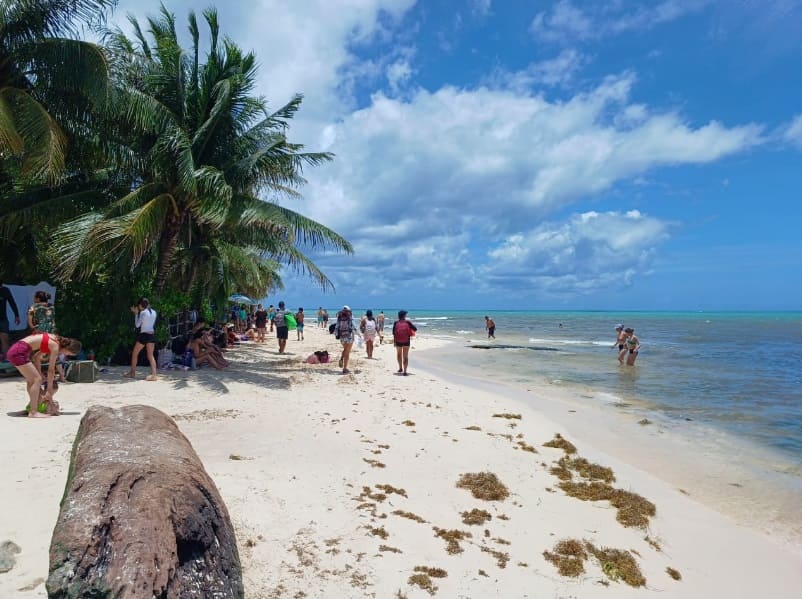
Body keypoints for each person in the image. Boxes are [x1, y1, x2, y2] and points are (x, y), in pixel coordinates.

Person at [6, 332, 81, 418]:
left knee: (33, 380)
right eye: (68, 353)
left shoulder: (54, 339)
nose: (65, 355)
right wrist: (48, 390)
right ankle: (33, 412)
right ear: (68, 348)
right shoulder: (55, 346)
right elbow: (51, 370)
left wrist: (39, 374)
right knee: (36, 380)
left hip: (16, 350)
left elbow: (37, 357)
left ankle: (32, 408)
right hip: (19, 352)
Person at [126, 297, 158, 381]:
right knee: (151, 355)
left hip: (144, 335)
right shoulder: (154, 312)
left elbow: (137, 325)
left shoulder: (143, 313)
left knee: (135, 353)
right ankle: (154, 375)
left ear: (141, 305)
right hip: (151, 335)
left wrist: (136, 314)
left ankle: (132, 373)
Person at [392, 310, 417, 375]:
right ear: (404, 316)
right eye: (406, 315)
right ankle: (405, 371)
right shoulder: (408, 322)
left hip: (398, 341)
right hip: (406, 341)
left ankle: (400, 368)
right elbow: (415, 329)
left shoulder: (396, 322)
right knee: (405, 356)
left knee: (399, 354)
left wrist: (394, 342)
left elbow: (393, 333)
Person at [0, 281, 21, 356]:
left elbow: (12, 302)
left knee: (5, 339)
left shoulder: (5, 290)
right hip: (3, 320)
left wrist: (17, 315)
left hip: (3, 319)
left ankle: (6, 359)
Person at [335, 306, 355, 374]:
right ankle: (345, 368)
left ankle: (341, 358)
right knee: (347, 351)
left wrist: (336, 334)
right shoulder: (350, 316)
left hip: (342, 336)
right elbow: (354, 326)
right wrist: (358, 334)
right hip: (349, 336)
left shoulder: (339, 316)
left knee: (345, 349)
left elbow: (337, 326)